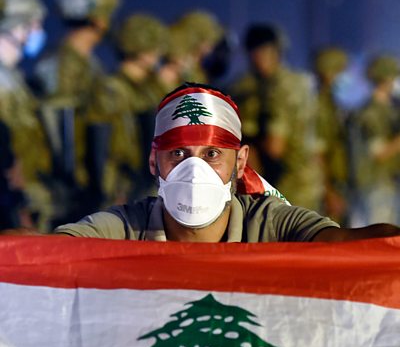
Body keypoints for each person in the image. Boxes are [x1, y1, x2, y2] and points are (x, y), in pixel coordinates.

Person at [54, 82, 400, 242]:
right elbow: (48, 251)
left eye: (212, 154)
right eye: (177, 153)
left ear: (241, 161)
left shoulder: (270, 224)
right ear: (153, 162)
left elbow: (350, 244)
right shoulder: (125, 227)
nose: (195, 171)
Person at [33, 0, 121, 224]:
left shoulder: (88, 65)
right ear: (96, 18)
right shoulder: (61, 65)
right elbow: (58, 134)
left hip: (89, 185)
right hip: (68, 193)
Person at [229, 23, 323, 211]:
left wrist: (248, 141)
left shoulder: (279, 88)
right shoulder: (300, 83)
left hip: (286, 184)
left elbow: (275, 147)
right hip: (307, 180)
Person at [89, 13, 168, 204]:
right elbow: (106, 149)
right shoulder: (112, 90)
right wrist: (110, 191)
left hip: (145, 184)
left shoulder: (148, 89)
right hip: (122, 190)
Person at [0, 0, 53, 232]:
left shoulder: (15, 79)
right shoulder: (4, 82)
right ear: (16, 25)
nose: (38, 31)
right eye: (34, 24)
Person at [352, 55, 400, 225]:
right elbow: (379, 153)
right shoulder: (369, 113)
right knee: (382, 235)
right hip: (378, 186)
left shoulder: (391, 108)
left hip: (390, 183)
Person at [313, 47, 350, 224]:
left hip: (336, 183)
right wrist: (328, 192)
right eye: (340, 71)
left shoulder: (331, 104)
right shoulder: (320, 107)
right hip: (326, 189)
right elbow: (317, 153)